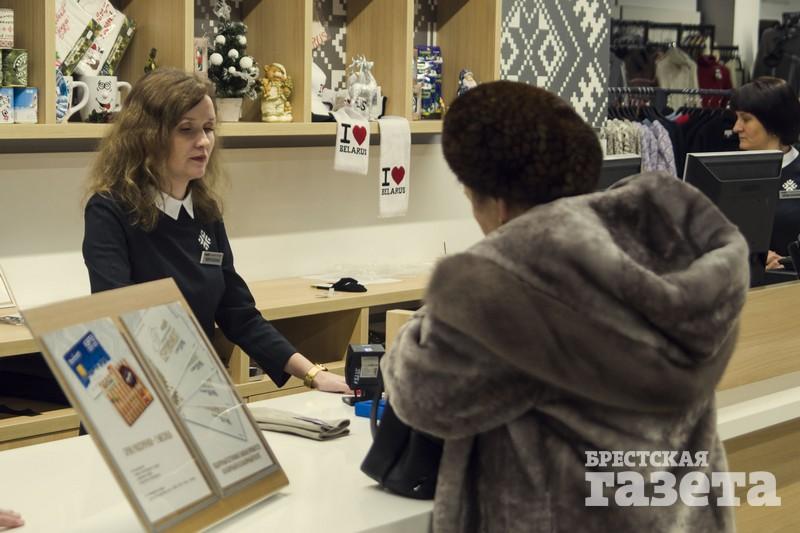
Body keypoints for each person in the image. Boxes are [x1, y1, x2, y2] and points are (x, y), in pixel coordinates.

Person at [381, 81, 748, 533]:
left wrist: (434, 315)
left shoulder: (518, 286)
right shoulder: (662, 248)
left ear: (496, 203)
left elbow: (422, 395)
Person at [83, 68, 349, 393]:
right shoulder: (109, 210)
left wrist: (314, 375)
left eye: (208, 128)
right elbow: (117, 316)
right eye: (186, 130)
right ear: (148, 136)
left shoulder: (205, 211)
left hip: (194, 386)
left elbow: (239, 315)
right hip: (136, 391)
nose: (203, 142)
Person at [731, 76, 800, 270]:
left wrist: (787, 260)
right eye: (736, 118)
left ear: (774, 121)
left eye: (746, 119)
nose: (736, 128)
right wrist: (751, 259)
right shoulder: (727, 174)